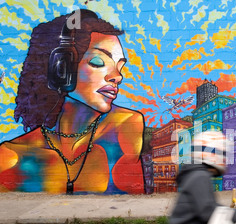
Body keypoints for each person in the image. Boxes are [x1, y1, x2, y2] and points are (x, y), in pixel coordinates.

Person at [0, 9, 144, 194]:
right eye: (98, 62)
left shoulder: (126, 125)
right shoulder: (12, 156)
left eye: (119, 67)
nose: (117, 77)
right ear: (60, 69)